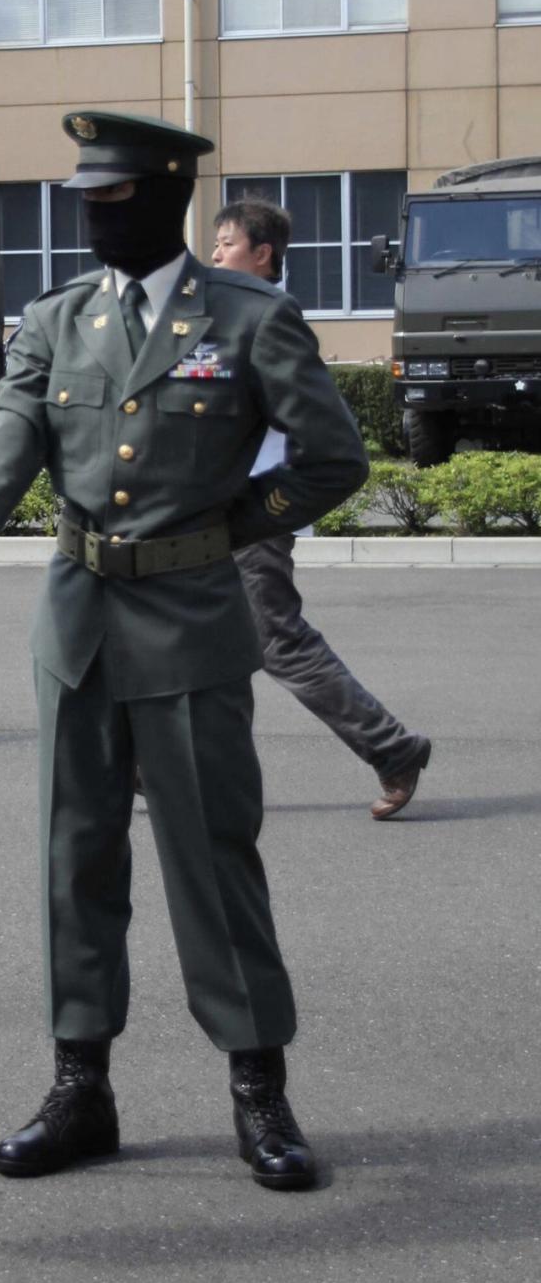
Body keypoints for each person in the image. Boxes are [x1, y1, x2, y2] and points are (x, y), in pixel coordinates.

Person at [0, 112, 368, 1190]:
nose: (96, 216)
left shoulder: (247, 315)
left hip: (193, 625)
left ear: (166, 196)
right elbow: (13, 436)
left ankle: (257, 1087)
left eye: (115, 199)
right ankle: (80, 1083)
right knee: (74, 860)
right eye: (86, 201)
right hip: (79, 628)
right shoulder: (58, 320)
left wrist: (233, 522)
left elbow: (334, 457)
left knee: (212, 860)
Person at [211, 197, 431, 821]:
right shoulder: (222, 316)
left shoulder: (270, 319)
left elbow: (318, 437)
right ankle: (148, 765)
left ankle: (392, 748)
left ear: (263, 255)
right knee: (185, 636)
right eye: (216, 242)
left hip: (254, 513)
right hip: (211, 513)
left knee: (277, 641)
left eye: (227, 243)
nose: (216, 253)